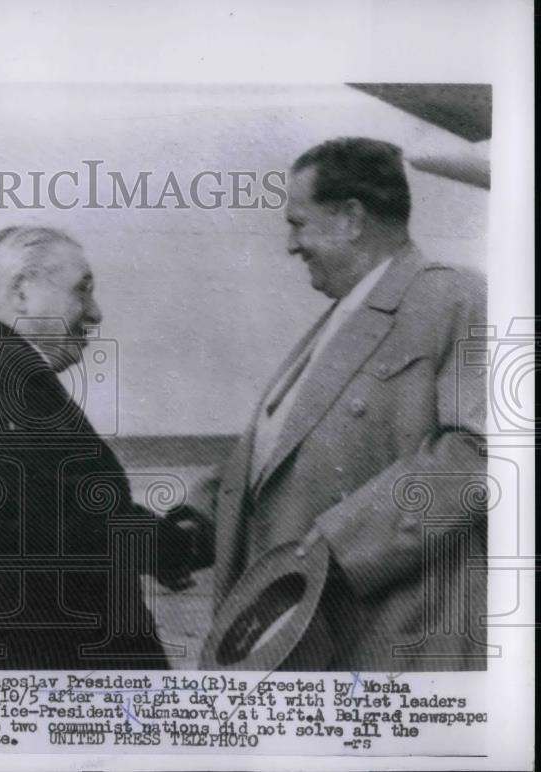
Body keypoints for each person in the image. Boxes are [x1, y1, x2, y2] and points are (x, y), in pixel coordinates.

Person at [198, 137, 488, 670]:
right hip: (311, 637)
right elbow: (280, 457)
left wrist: (336, 547)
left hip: (395, 644)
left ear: (351, 219)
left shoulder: (455, 298)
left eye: (298, 223)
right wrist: (196, 515)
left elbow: (478, 455)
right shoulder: (340, 320)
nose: (291, 245)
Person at [0, 226, 203, 669]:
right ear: (22, 292)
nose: (95, 313)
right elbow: (76, 522)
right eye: (82, 291)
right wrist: (183, 545)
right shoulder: (5, 376)